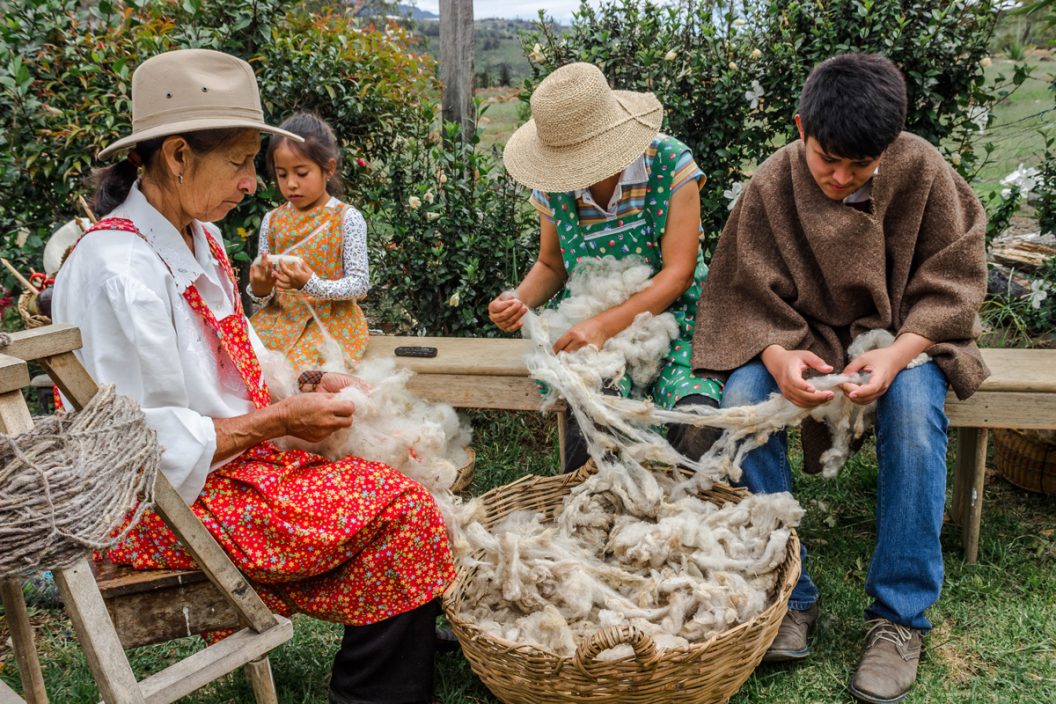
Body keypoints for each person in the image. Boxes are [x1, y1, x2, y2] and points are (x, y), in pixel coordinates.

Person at [51, 48, 454, 704]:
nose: (251, 183)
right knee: (402, 510)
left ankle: (394, 667)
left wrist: (302, 386)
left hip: (213, 473)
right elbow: (133, 448)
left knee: (406, 478)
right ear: (177, 155)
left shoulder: (196, 238)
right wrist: (277, 423)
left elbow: (227, 371)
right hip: (156, 507)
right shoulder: (118, 271)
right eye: (240, 162)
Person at [692, 54, 988, 703]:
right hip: (804, 340)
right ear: (801, 127)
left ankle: (899, 619)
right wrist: (775, 358)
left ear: (890, 146)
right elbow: (741, 294)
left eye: (861, 164)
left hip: (901, 337)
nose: (841, 175)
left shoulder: (923, 168)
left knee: (913, 411)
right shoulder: (773, 181)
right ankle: (788, 592)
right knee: (743, 398)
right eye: (828, 158)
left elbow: (956, 278)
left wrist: (895, 353)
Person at [491, 62, 723, 471]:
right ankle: (593, 512)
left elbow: (679, 273)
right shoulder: (555, 183)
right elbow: (552, 262)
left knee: (695, 416)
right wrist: (518, 300)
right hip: (591, 329)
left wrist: (602, 326)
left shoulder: (669, 164)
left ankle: (690, 505)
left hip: (678, 321)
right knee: (592, 404)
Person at [248, 112, 370, 370]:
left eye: (302, 173)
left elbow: (360, 285)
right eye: (281, 174)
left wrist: (311, 285)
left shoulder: (347, 218)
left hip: (329, 324)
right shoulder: (273, 220)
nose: (291, 184)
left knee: (304, 372)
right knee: (249, 365)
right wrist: (259, 288)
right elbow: (264, 296)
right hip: (279, 322)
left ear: (329, 168)